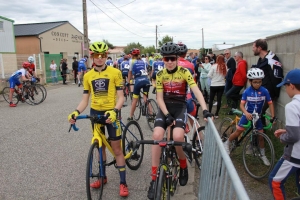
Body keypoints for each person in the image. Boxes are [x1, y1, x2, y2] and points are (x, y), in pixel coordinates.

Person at [147, 42, 213, 199]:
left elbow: (196, 91)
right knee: (157, 136)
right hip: (165, 109)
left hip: (180, 108)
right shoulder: (160, 74)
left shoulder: (184, 72)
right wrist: (166, 114)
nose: (169, 61)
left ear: (177, 58)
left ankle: (183, 166)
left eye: (172, 58)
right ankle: (154, 179)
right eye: (166, 59)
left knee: (177, 137)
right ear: (163, 59)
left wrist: (205, 109)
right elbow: (159, 98)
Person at [68, 41, 128, 197]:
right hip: (95, 114)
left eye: (103, 55)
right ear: (92, 56)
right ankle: (103, 177)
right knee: (99, 147)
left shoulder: (115, 72)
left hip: (111, 113)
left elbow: (121, 97)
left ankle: (123, 183)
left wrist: (115, 111)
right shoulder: (88, 76)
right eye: (96, 55)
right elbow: (84, 100)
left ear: (106, 56)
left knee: (116, 149)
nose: (100, 58)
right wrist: (75, 112)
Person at [223, 68, 276, 166]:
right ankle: (227, 143)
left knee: (261, 136)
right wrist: (246, 113)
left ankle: (263, 155)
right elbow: (242, 105)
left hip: (258, 117)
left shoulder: (264, 91)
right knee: (238, 131)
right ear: (250, 81)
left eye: (259, 82)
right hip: (246, 115)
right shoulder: (247, 91)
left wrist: (273, 116)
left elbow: (270, 103)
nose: (257, 84)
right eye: (255, 82)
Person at [269, 68, 300, 200]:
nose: (285, 90)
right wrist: (287, 130)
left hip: (295, 155)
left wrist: (283, 137)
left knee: (275, 181)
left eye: (286, 86)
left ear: (291, 86)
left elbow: (294, 136)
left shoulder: (292, 106)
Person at [252, 39, 283, 126]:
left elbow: (277, 78)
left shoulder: (271, 59)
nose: (252, 49)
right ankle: (259, 134)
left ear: (260, 48)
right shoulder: (261, 60)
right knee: (258, 112)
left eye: (254, 47)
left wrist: (274, 95)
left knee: (259, 111)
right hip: (260, 91)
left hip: (268, 93)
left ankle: (261, 136)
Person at [127, 48, 150, 121]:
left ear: (132, 55)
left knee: (135, 100)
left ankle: (130, 116)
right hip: (146, 80)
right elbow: (146, 70)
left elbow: (130, 72)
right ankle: (152, 114)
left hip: (138, 81)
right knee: (146, 98)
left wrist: (128, 81)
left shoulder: (131, 61)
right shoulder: (143, 60)